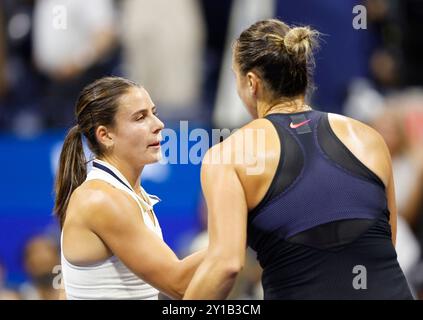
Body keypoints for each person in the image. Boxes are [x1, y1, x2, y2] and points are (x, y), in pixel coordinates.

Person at [183, 19, 414, 299]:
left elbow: (226, 264)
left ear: (251, 83)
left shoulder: (228, 154)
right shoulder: (367, 138)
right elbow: (386, 242)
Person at [55, 76, 204, 300]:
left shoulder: (129, 194)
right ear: (105, 135)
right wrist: (238, 231)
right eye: (140, 117)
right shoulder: (101, 198)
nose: (158, 124)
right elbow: (178, 284)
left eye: (154, 112)